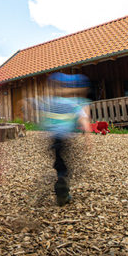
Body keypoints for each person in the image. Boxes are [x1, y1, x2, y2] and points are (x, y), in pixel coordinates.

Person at [40, 72, 91, 206]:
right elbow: (84, 120)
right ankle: (62, 185)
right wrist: (87, 137)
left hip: (53, 138)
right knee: (63, 163)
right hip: (64, 137)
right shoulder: (73, 104)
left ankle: (61, 180)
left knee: (59, 160)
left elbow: (34, 105)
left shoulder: (51, 102)